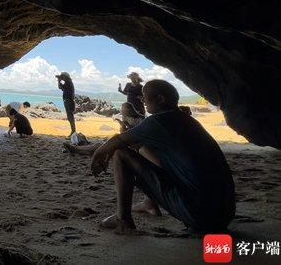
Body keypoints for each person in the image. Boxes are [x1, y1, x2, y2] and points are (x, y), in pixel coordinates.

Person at [91, 80, 235, 233]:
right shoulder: (186, 120)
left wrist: (98, 153)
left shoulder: (158, 121)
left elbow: (118, 141)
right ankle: (149, 203)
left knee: (121, 154)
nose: (142, 99)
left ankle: (123, 219)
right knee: (145, 149)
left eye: (145, 96)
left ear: (160, 99)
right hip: (223, 216)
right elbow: (140, 147)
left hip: (199, 215)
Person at [63, 102, 145, 155]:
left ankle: (76, 149)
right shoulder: (138, 118)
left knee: (99, 146)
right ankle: (77, 149)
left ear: (127, 111)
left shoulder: (138, 120)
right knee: (100, 144)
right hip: (131, 144)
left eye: (122, 111)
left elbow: (130, 136)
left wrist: (123, 126)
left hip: (133, 147)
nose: (122, 112)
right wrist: (123, 126)